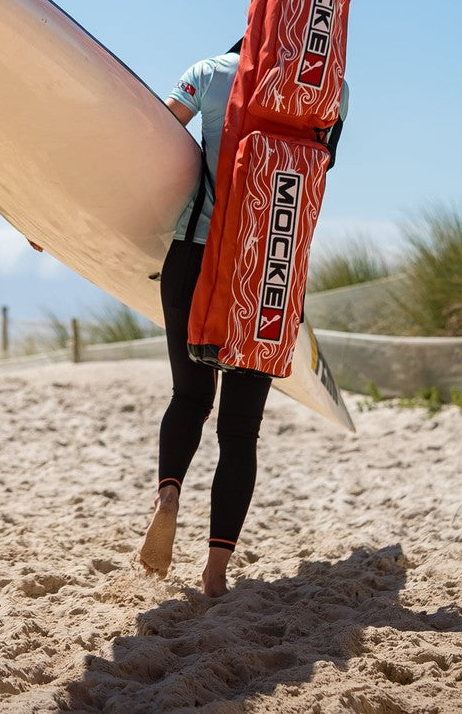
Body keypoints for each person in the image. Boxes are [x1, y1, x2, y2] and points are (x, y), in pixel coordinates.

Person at [139, 41, 347, 598]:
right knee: (239, 431)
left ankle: (169, 493)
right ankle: (215, 573)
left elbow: (143, 145)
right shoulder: (332, 90)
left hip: (195, 257)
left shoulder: (209, 72)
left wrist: (56, 217)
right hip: (269, 270)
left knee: (189, 397)